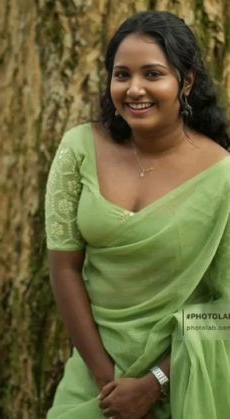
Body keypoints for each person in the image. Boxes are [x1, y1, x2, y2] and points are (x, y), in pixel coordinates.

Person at [45, 10, 230, 419]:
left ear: (186, 81)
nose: (134, 89)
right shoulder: (79, 148)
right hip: (94, 379)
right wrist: (106, 381)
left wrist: (153, 384)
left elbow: (228, 309)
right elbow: (64, 268)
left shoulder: (222, 178)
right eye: (122, 74)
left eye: (152, 74)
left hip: (182, 382)